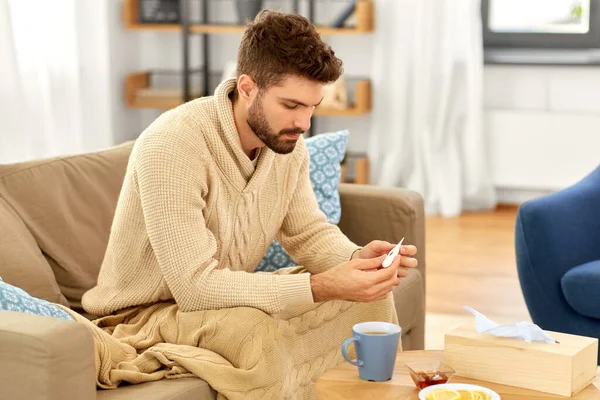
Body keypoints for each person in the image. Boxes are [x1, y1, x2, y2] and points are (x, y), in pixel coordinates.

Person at [76, 9, 418, 399]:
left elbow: (308, 234)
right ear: (248, 87)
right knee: (257, 334)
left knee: (370, 303)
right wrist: (322, 285)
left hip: (224, 299)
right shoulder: (172, 145)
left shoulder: (288, 145)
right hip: (145, 314)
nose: (304, 122)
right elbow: (195, 288)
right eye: (291, 106)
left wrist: (357, 261)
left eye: (312, 107)